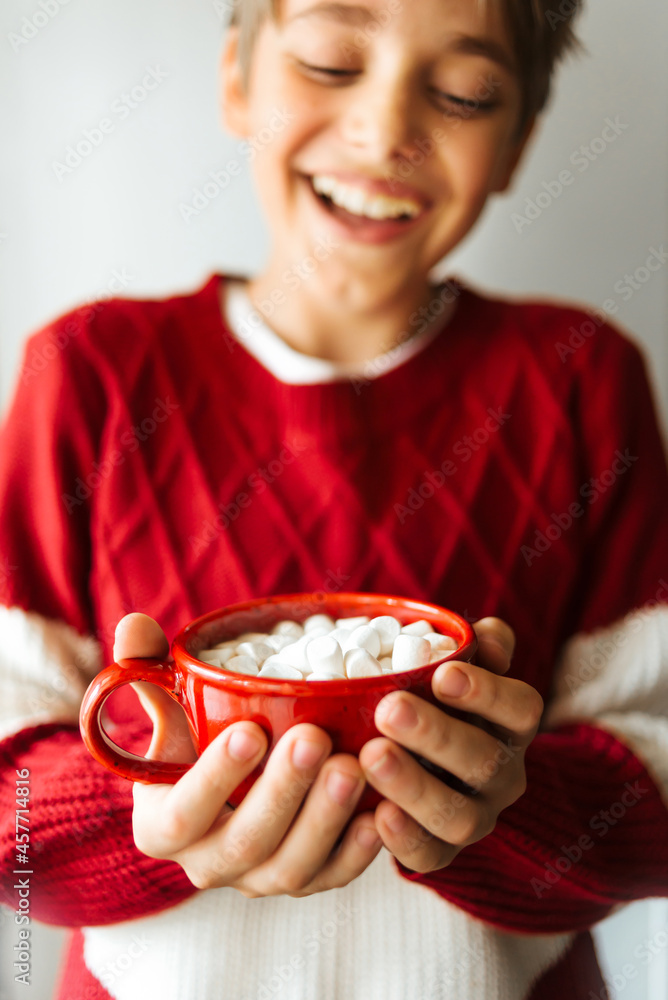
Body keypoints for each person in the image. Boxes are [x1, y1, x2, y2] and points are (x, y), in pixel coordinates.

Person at [1, 0, 667, 997]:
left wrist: (500, 803)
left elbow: (650, 801)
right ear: (236, 76)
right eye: (326, 63)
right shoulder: (91, 376)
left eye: (460, 92)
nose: (384, 131)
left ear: (518, 142)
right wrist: (149, 818)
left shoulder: (579, 381)